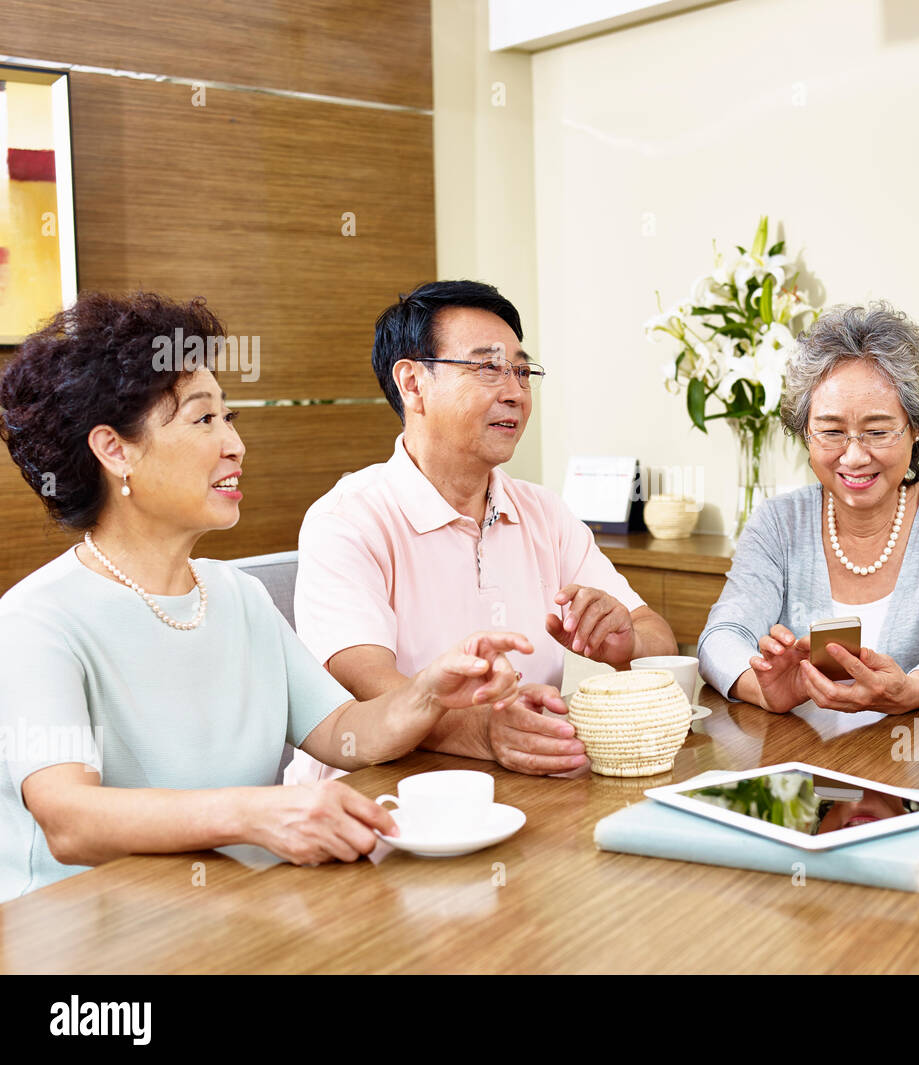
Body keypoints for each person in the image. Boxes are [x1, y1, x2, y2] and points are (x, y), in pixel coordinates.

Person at [0, 293, 537, 901]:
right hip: (86, 943)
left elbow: (339, 731)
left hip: (237, 912)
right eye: (204, 420)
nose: (235, 445)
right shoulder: (35, 623)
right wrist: (258, 813)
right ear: (114, 450)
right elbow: (68, 821)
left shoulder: (235, 595)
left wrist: (429, 693)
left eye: (230, 419)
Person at [287, 280, 676, 783]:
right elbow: (368, 686)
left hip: (518, 795)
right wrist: (478, 731)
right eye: (488, 367)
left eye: (521, 370)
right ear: (412, 383)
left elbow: (658, 639)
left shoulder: (545, 513)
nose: (514, 392)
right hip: (370, 805)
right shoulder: (347, 520)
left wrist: (626, 643)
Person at [698, 303, 919, 716]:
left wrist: (913, 689)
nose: (854, 456)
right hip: (801, 764)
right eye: (831, 432)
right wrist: (764, 687)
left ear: (915, 429)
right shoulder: (778, 523)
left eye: (877, 432)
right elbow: (720, 636)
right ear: (805, 434)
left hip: (915, 763)